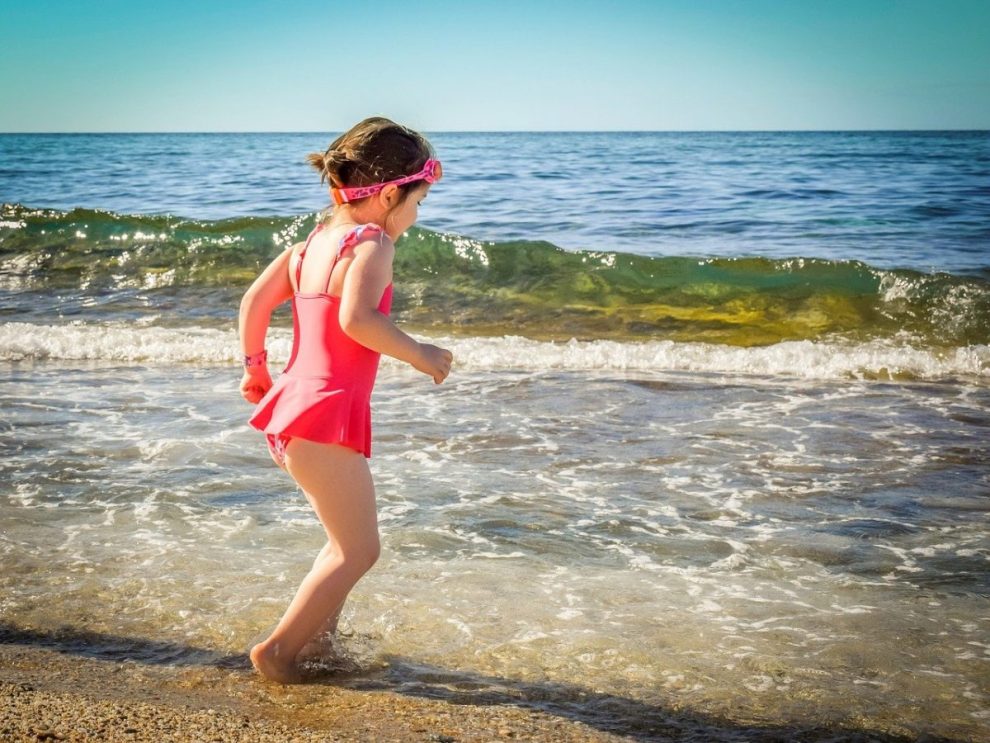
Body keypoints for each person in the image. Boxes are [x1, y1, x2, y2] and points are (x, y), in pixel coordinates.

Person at [238, 117, 453, 684]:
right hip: (325, 417)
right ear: (388, 196)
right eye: (418, 201)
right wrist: (421, 354)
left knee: (341, 543)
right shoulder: (372, 244)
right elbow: (356, 321)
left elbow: (254, 302)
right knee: (359, 551)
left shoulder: (308, 246)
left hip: (291, 413)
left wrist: (255, 370)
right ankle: (278, 652)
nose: (417, 215)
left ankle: (319, 642)